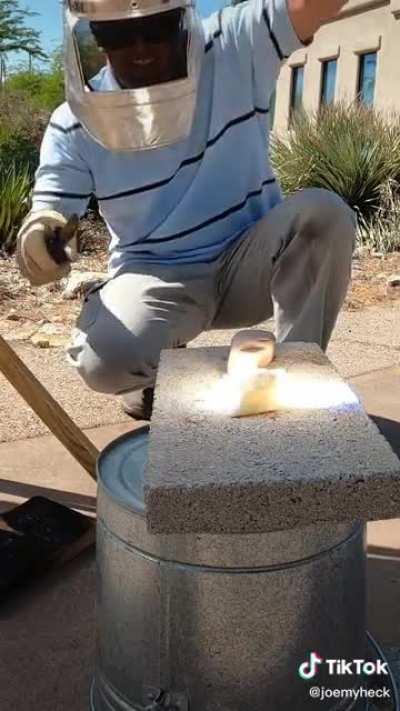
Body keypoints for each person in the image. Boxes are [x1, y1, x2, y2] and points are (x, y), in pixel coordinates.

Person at [17, 0, 355, 420]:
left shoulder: (234, 44)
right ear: (94, 39)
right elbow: (51, 208)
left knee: (324, 213)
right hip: (156, 277)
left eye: (158, 27)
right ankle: (153, 380)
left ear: (182, 20)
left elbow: (308, 6)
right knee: (103, 360)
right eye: (118, 35)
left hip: (250, 264)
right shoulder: (73, 121)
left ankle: (295, 377)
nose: (141, 48)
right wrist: (39, 244)